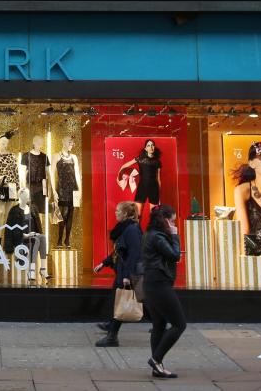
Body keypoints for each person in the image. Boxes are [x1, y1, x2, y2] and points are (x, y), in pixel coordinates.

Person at [142, 204, 184, 379]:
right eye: (172, 221)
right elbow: (175, 255)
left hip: (151, 283)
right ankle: (156, 359)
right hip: (159, 284)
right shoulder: (158, 237)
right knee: (179, 324)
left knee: (159, 325)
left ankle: (157, 367)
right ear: (166, 220)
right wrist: (175, 236)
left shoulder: (149, 235)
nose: (174, 224)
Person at [93, 201, 142, 347]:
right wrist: (104, 263)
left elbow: (134, 253)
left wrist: (128, 275)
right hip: (124, 270)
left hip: (129, 272)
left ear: (126, 214)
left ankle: (112, 336)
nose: (115, 213)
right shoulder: (125, 229)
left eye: (118, 211)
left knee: (124, 301)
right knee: (124, 300)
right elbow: (119, 251)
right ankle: (162, 324)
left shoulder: (131, 230)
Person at [116, 139, 161, 218]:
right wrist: (118, 177)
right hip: (142, 187)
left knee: (154, 216)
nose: (151, 147)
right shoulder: (140, 158)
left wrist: (159, 195)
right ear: (145, 148)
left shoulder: (157, 162)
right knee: (137, 216)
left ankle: (151, 230)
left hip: (154, 188)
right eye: (148, 145)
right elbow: (124, 166)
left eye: (152, 145)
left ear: (154, 147)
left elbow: (158, 179)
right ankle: (135, 230)